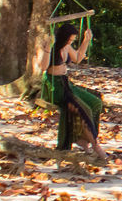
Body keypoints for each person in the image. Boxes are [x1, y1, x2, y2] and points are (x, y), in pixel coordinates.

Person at [41, 23, 106, 157]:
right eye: (69, 40)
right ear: (63, 37)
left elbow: (78, 58)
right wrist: (47, 47)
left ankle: (83, 139)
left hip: (66, 84)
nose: (70, 42)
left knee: (96, 102)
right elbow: (43, 67)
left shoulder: (67, 46)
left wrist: (86, 40)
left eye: (72, 40)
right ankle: (95, 145)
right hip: (55, 87)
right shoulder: (52, 46)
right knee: (83, 109)